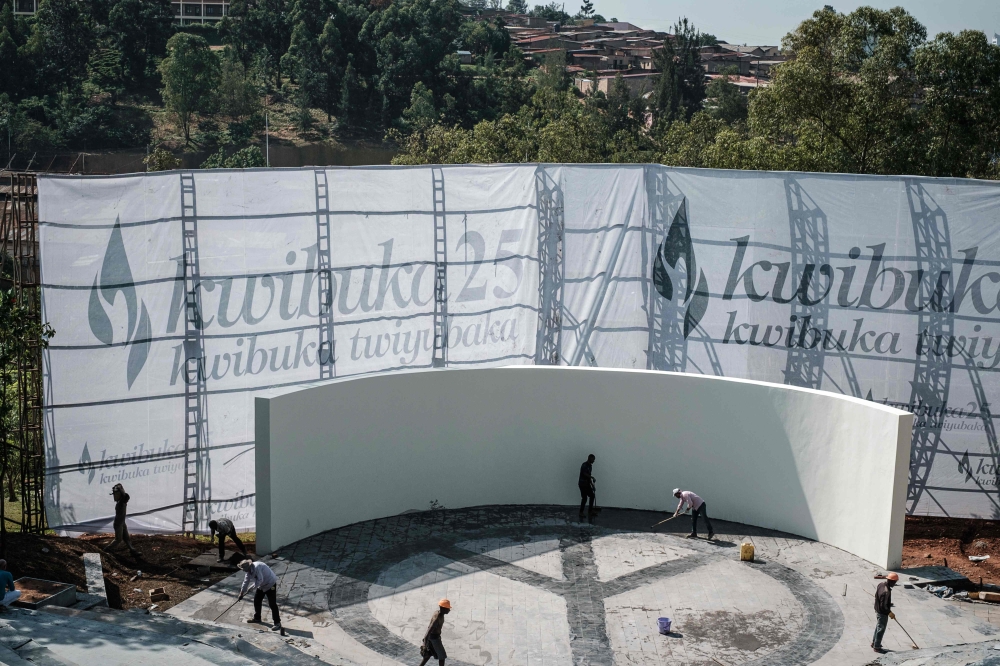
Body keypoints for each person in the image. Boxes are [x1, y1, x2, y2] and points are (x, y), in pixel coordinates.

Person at [237, 559, 281, 632]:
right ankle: (257, 618)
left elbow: (260, 580)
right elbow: (245, 582)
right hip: (261, 585)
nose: (244, 571)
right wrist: (241, 593)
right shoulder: (248, 571)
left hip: (270, 583)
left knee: (272, 604)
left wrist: (251, 588)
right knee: (257, 601)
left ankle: (277, 623)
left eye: (244, 569)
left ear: (249, 567)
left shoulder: (257, 568)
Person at [108, 483, 140, 558]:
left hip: (122, 523)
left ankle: (132, 550)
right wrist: (121, 489)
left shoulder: (121, 502)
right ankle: (106, 550)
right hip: (118, 523)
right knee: (118, 539)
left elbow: (126, 496)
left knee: (126, 538)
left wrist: (120, 488)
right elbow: (126, 497)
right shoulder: (121, 503)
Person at [419, 599, 451, 666]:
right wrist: (424, 643)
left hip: (432, 638)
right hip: (435, 639)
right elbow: (429, 630)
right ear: (443, 608)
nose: (449, 610)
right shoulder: (437, 619)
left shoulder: (438, 612)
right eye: (448, 608)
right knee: (442, 656)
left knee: (428, 655)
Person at [872, 572, 898, 653]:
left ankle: (874, 643)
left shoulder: (881, 584)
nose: (895, 584)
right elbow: (883, 606)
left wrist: (888, 603)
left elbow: (877, 596)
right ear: (891, 581)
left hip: (877, 609)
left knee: (878, 627)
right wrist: (889, 612)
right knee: (881, 629)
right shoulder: (886, 592)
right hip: (882, 612)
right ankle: (877, 646)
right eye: (894, 582)